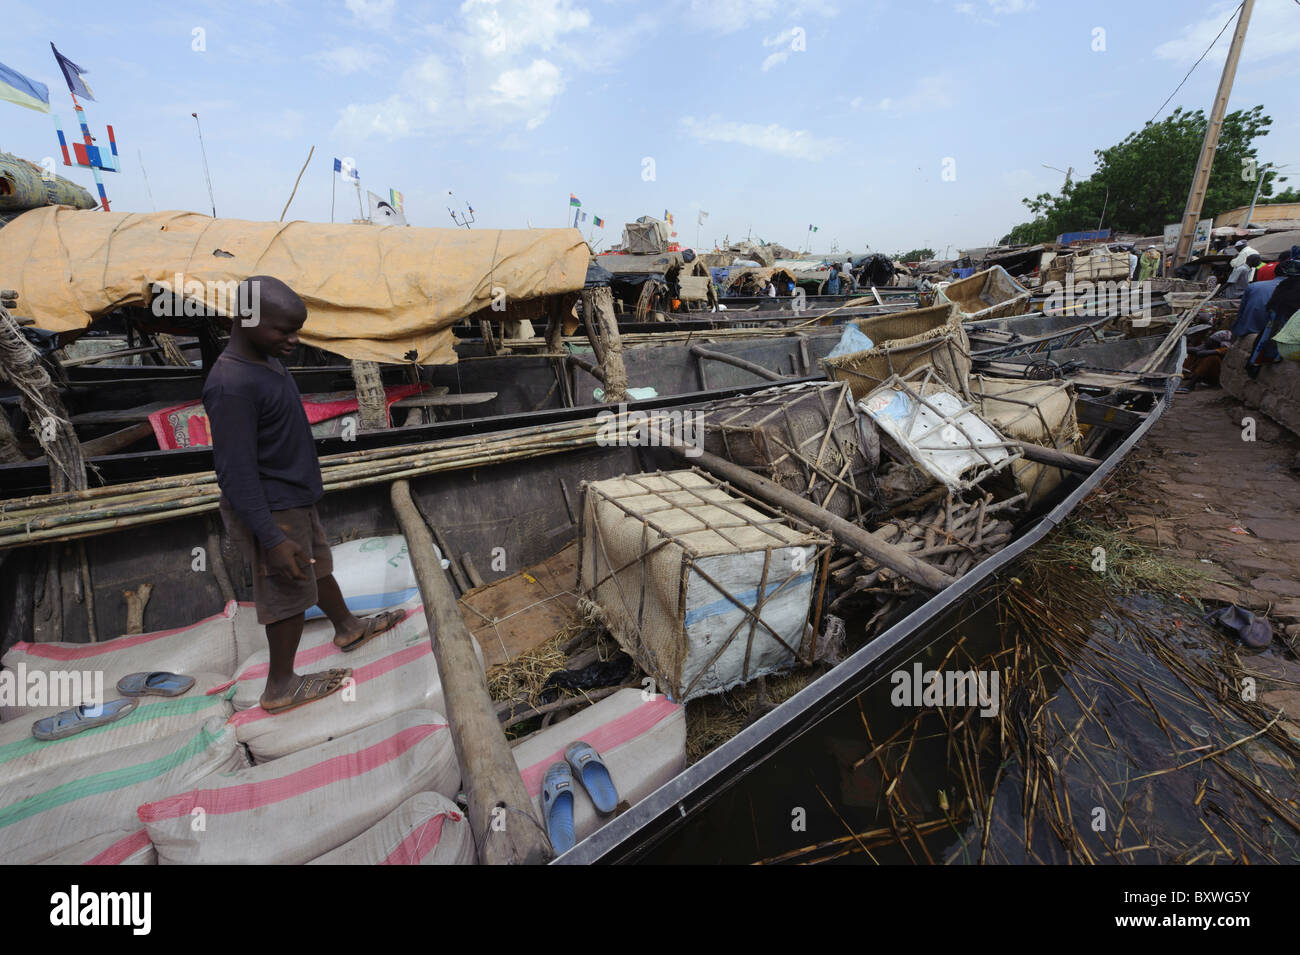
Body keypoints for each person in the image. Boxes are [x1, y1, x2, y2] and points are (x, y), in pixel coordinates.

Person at [204, 276, 404, 714]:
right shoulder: (231, 384)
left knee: (315, 566)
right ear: (247, 319)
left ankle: (347, 626)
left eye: (296, 329)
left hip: (292, 497)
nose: (294, 339)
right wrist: (272, 539)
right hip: (269, 508)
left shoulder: (267, 359)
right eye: (284, 330)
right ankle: (280, 685)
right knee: (289, 588)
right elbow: (235, 476)